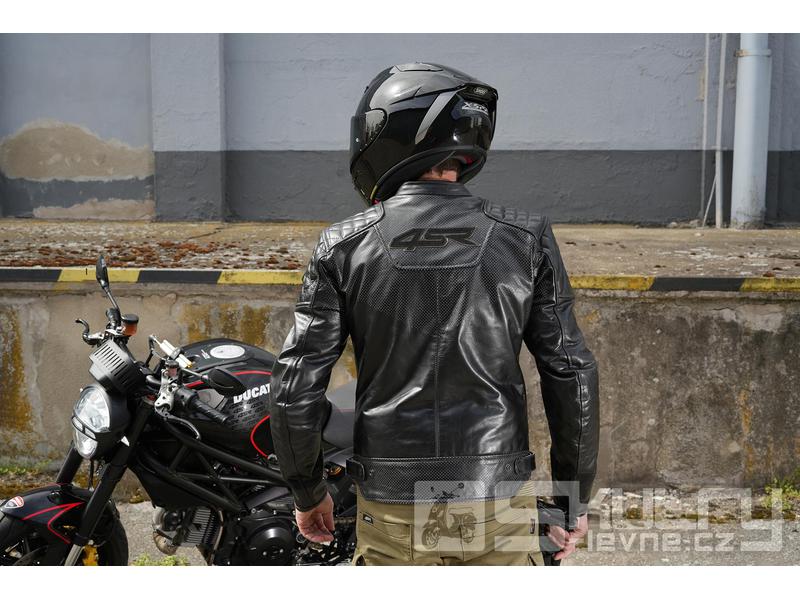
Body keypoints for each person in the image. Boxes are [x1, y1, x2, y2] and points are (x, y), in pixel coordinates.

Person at [269, 62, 599, 565]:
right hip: (496, 495)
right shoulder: (524, 238)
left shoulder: (344, 245)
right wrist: (570, 502)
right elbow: (572, 374)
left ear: (387, 135)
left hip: (392, 502)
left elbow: (294, 387)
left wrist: (308, 493)